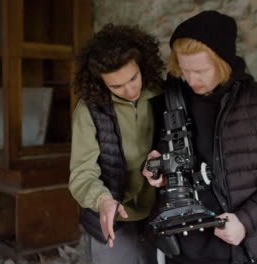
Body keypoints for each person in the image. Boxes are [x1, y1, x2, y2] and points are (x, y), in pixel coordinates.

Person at [142, 11, 257, 264]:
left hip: (236, 245)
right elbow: (160, 152)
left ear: (223, 62)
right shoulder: (171, 99)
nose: (191, 79)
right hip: (179, 245)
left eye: (200, 70)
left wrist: (245, 220)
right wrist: (157, 167)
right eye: (184, 70)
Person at [69, 24, 164, 264]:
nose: (130, 90)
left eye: (133, 78)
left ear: (142, 66)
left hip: (160, 212)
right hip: (112, 216)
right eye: (116, 86)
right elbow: (82, 173)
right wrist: (103, 200)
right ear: (101, 82)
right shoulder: (88, 108)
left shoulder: (165, 94)